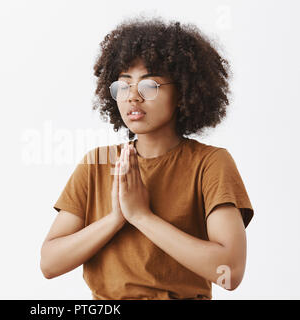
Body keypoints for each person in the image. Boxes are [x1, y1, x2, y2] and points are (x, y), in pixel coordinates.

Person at [40, 16, 254, 300]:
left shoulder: (210, 164)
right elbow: (49, 263)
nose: (132, 97)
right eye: (123, 85)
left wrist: (142, 216)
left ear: (182, 91)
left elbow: (229, 271)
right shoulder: (97, 163)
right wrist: (116, 218)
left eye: (149, 86)